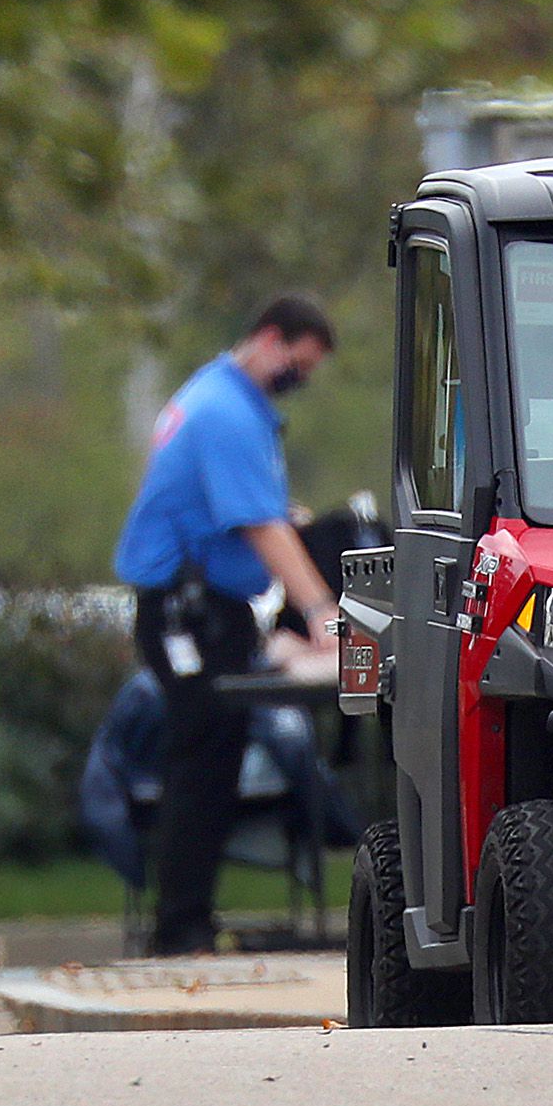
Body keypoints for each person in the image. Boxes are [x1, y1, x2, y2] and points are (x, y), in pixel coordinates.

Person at [111, 294, 342, 955]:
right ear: (270, 339)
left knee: (211, 756)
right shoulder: (227, 413)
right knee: (201, 759)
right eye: (297, 365)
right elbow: (260, 525)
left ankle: (189, 916)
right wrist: (323, 612)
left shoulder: (217, 396)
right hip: (190, 612)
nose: (297, 380)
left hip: (210, 606)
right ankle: (180, 926)